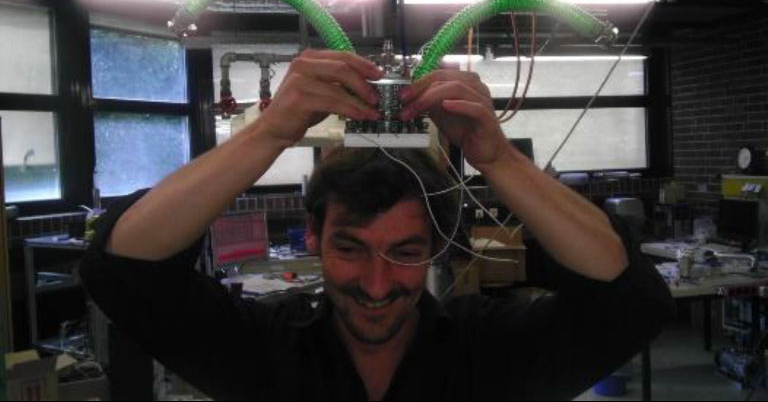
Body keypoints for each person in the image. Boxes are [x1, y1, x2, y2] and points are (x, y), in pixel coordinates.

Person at [80, 49, 674, 401]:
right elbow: (122, 269)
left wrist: (498, 159)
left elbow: (631, 302)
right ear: (313, 237)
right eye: (351, 247)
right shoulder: (266, 350)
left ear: (436, 247)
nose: (377, 282)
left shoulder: (487, 352)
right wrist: (271, 131)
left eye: (405, 251)